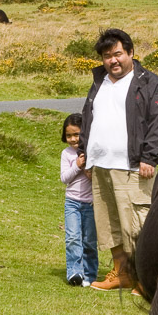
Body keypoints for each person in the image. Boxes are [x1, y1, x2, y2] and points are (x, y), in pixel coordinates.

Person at [77, 28, 158, 291]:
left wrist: (150, 157)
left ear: (130, 52)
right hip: (99, 165)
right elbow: (88, 118)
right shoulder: (99, 83)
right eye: (107, 56)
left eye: (118, 54)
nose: (113, 61)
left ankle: (145, 277)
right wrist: (85, 153)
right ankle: (122, 274)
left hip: (131, 166)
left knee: (137, 224)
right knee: (109, 223)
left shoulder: (150, 83)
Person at [60, 113, 99, 287]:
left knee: (89, 240)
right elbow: (64, 178)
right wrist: (76, 166)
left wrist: (88, 170)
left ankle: (90, 274)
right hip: (72, 203)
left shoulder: (93, 152)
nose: (73, 139)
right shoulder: (67, 154)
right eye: (69, 135)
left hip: (90, 203)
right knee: (73, 238)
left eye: (77, 134)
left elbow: (97, 178)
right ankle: (75, 272)